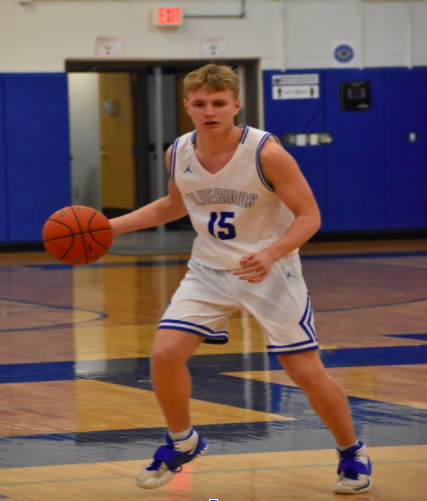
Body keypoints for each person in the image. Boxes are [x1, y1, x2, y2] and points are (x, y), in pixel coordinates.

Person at [110, 63, 372, 494]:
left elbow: (310, 217)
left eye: (218, 103)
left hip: (270, 272)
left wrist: (270, 253)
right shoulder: (179, 151)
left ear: (236, 104)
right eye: (200, 104)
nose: (210, 111)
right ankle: (183, 442)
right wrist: (108, 227)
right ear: (187, 107)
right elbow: (174, 206)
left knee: (304, 371)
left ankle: (352, 452)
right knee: (164, 355)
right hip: (208, 270)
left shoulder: (266, 152)